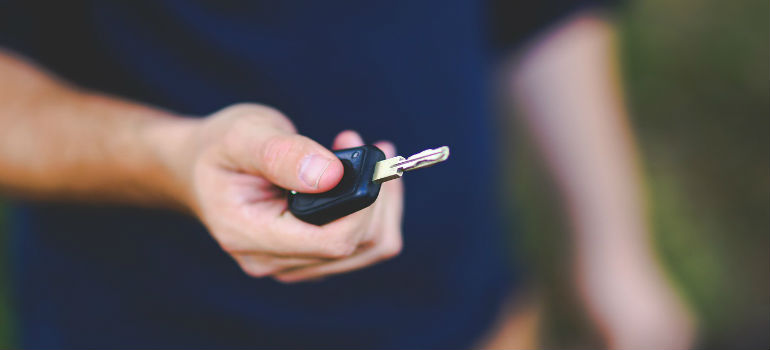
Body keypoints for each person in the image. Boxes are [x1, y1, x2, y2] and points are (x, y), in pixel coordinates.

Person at [0, 1, 694, 348]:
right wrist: (174, 157)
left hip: (472, 316)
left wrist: (615, 248)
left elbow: (539, 14)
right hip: (159, 325)